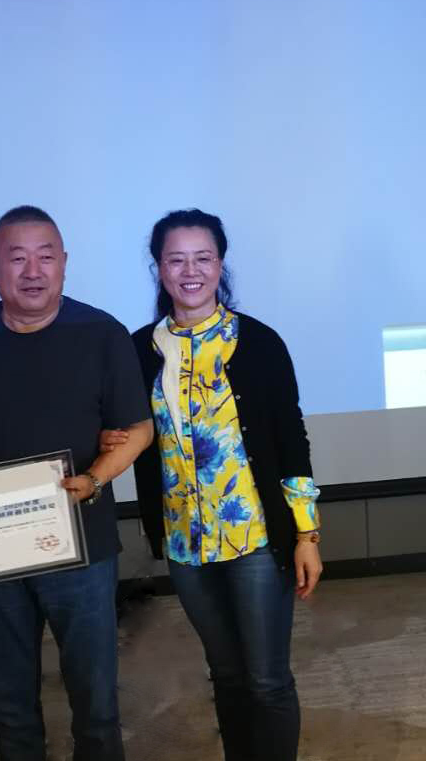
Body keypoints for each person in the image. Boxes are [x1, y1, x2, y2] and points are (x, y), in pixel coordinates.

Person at [0, 205, 152, 761]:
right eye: (17, 258)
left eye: (45, 257)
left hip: (84, 545)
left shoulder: (102, 333)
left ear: (64, 263)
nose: (33, 271)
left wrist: (96, 478)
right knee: (8, 705)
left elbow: (138, 428)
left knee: (96, 705)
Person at [107, 208, 322, 761]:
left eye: (202, 258)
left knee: (267, 680)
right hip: (186, 545)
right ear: (159, 268)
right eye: (176, 260)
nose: (190, 271)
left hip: (256, 540)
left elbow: (291, 439)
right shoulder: (139, 349)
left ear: (220, 264)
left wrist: (306, 535)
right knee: (225, 674)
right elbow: (127, 430)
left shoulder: (259, 342)